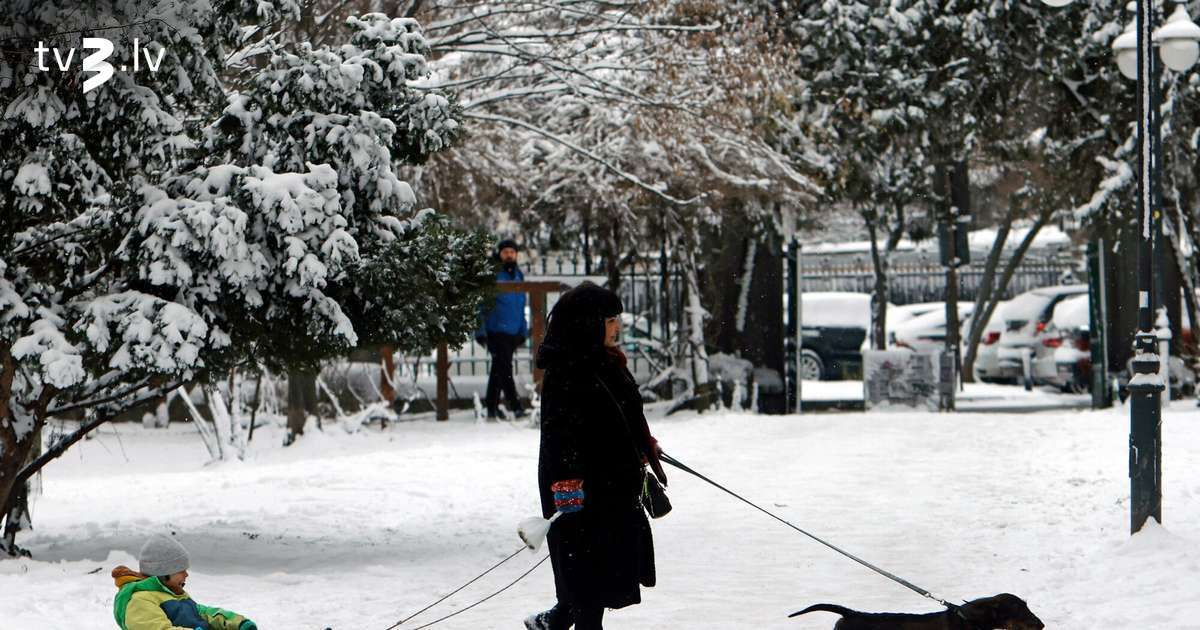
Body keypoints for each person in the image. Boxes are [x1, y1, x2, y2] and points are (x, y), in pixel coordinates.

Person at [525, 281, 667, 630]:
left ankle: (558, 619)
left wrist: (643, 443)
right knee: (588, 587)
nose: (617, 327)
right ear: (588, 323)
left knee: (596, 584)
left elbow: (623, 414)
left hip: (614, 489)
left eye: (617, 318)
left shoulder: (608, 362)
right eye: (609, 320)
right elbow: (560, 436)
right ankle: (563, 617)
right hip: (582, 492)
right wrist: (567, 488)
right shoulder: (567, 370)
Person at [112, 534, 257, 630]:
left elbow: (203, 613)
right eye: (181, 570)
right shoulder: (139, 601)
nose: (186, 575)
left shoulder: (172, 593)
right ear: (163, 573)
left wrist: (237, 623)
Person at [476, 238, 529, 419]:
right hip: (496, 331)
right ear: (499, 254)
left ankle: (491, 407)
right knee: (504, 369)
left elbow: (521, 305)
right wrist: (480, 331)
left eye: (512, 252)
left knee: (499, 369)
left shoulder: (519, 275)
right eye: (505, 252)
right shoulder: (492, 274)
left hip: (513, 332)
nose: (509, 255)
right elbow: (481, 305)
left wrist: (523, 330)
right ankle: (515, 406)